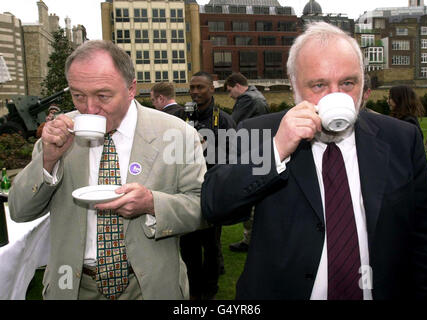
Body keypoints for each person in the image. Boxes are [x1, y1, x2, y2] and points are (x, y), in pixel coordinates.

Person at [201, 22, 427, 299]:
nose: (335, 96)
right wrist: (276, 149)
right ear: (293, 87)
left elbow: (424, 235)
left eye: (348, 83)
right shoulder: (259, 132)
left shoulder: (400, 138)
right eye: (319, 84)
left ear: (363, 83)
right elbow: (216, 205)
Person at [9, 40, 207, 300]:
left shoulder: (177, 134)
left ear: (131, 88)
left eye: (103, 96)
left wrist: (152, 204)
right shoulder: (59, 135)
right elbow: (19, 211)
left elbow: (203, 207)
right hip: (73, 287)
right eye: (78, 96)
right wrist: (48, 160)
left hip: (148, 288)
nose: (89, 109)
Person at [180, 71, 236, 300]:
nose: (195, 92)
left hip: (212, 191)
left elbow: (233, 156)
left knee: (211, 244)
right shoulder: (181, 117)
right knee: (188, 244)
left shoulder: (222, 119)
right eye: (192, 87)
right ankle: (193, 287)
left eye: (200, 87)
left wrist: (208, 149)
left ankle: (210, 290)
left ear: (212, 89)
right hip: (185, 191)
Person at [224, 72, 270, 253]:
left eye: (229, 91)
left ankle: (250, 241)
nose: (230, 96)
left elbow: (232, 123)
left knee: (250, 199)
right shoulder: (258, 95)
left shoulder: (247, 99)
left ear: (236, 85)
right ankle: (258, 239)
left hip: (249, 153)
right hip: (261, 151)